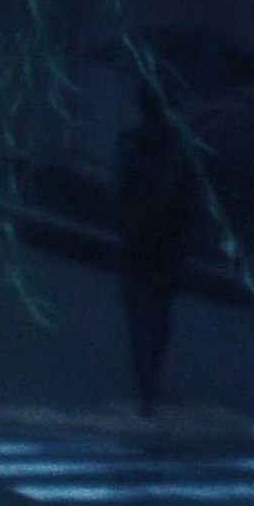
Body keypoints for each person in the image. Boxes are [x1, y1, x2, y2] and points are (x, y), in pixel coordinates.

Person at [114, 97, 193, 423]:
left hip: (135, 239)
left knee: (138, 315)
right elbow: (192, 198)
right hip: (171, 243)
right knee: (161, 314)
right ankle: (154, 376)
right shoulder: (181, 149)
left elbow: (116, 189)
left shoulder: (128, 144)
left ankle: (145, 383)